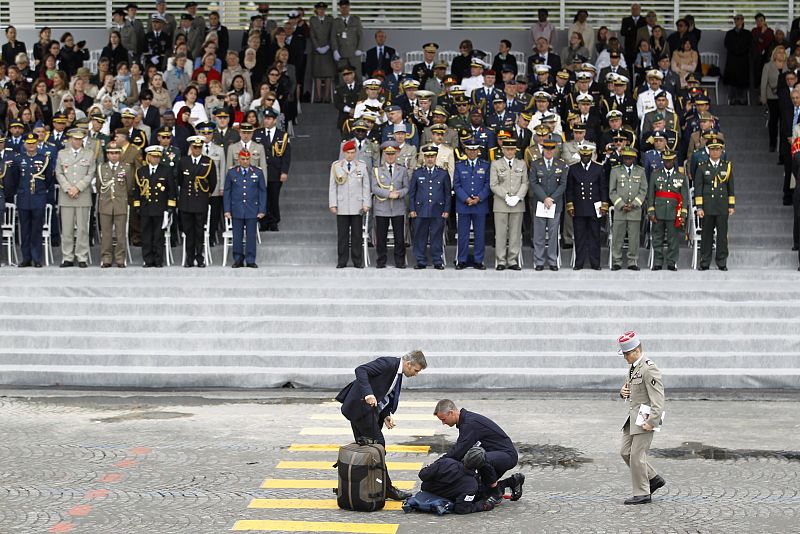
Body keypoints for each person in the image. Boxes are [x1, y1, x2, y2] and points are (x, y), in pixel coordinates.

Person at [335, 350, 428, 502]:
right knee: (378, 447)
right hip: (361, 409)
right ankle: (386, 488)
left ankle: (370, 486)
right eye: (416, 370)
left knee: (369, 449)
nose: (416, 374)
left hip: (366, 412)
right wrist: (368, 394)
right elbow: (361, 370)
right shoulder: (388, 363)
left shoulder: (397, 373)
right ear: (408, 364)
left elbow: (382, 393)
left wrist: (385, 415)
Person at [434, 399, 524, 504]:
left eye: (443, 419)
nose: (443, 423)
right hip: (492, 456)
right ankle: (513, 481)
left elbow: (458, 451)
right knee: (480, 493)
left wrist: (438, 465)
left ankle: (496, 493)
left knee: (478, 458)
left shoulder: (470, 423)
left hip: (506, 455)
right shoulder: (465, 421)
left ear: (451, 413)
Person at [617, 331, 666, 505]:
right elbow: (631, 390)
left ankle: (642, 493)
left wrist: (652, 421)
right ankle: (653, 478)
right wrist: (623, 393)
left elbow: (658, 398)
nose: (624, 357)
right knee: (625, 452)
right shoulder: (633, 367)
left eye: (627, 354)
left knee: (637, 455)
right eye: (623, 354)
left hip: (645, 419)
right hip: (632, 419)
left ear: (637, 350)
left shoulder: (648, 368)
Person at [56, 128, 96, 268]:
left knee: (82, 229)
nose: (77, 141)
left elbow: (90, 173)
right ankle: (67, 256)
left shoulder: (89, 154)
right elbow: (59, 173)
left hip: (82, 195)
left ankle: (81, 256)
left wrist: (77, 188)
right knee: (66, 229)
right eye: (75, 139)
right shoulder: (62, 153)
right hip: (66, 196)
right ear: (70, 139)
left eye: (80, 139)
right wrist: (68, 188)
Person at [133, 145, 176, 267]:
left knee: (158, 236)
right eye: (153, 156)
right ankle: (148, 260)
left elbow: (171, 190)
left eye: (158, 157)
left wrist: (170, 207)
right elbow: (137, 190)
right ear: (148, 157)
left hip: (160, 208)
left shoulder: (166, 170)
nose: (156, 159)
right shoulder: (141, 171)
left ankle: (158, 260)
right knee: (146, 235)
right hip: (146, 208)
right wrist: (137, 205)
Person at [329, 139, 370, 268]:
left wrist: (366, 203)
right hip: (342, 205)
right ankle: (342, 260)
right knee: (342, 235)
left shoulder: (361, 166)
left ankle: (357, 261)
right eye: (348, 152)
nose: (350, 155)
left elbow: (366, 186)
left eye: (353, 152)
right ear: (344, 153)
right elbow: (332, 186)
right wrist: (333, 204)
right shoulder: (336, 166)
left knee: (357, 235)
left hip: (357, 205)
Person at [566, 143, 608, 270]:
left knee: (595, 236)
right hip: (579, 207)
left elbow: (603, 188)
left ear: (591, 155)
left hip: (594, 207)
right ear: (580, 155)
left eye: (588, 155)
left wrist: (604, 205)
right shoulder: (573, 168)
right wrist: (570, 205)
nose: (585, 158)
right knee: (579, 236)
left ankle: (595, 263)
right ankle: (579, 263)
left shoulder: (598, 168)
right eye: (583, 156)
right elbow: (570, 189)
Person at [176, 135, 216, 267]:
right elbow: (180, 180)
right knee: (188, 231)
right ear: (191, 147)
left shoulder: (208, 161)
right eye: (195, 147)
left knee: (199, 231)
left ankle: (199, 257)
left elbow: (212, 182)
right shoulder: (183, 161)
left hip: (200, 201)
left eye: (199, 147)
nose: (197, 149)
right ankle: (189, 257)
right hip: (186, 201)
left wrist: (205, 194)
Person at [695, 139, 734, 271]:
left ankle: (722, 262)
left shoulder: (726, 166)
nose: (715, 152)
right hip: (708, 206)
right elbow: (698, 188)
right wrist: (699, 207)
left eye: (718, 149)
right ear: (709, 151)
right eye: (712, 149)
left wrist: (731, 205)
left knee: (722, 236)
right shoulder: (702, 166)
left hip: (722, 205)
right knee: (706, 236)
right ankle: (704, 262)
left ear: (722, 150)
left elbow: (730, 187)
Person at [223, 149, 266, 268]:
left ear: (250, 159)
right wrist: (227, 210)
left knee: (251, 236)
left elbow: (263, 192)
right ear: (239, 159)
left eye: (247, 159)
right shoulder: (232, 172)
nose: (245, 161)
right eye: (243, 159)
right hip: (236, 208)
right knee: (237, 236)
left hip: (252, 208)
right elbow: (227, 192)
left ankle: (251, 259)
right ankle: (238, 259)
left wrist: (262, 210)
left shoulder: (257, 172)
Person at [409, 145, 450, 269]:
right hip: (421, 210)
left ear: (436, 157)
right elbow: (412, 193)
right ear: (424, 157)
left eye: (432, 156)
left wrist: (447, 209)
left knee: (436, 236)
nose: (430, 159)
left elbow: (447, 193)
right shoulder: (417, 173)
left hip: (438, 210)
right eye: (427, 156)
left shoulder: (443, 173)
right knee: (420, 235)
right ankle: (421, 261)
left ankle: (437, 260)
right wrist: (412, 209)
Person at [530, 139, 568, 271]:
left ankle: (552, 261)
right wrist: (544, 198)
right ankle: (539, 261)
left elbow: (563, 184)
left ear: (555, 150)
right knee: (539, 234)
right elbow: (533, 183)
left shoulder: (561, 165)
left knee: (553, 235)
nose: (549, 151)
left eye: (551, 149)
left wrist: (551, 199)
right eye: (546, 149)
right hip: (540, 203)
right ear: (543, 150)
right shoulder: (536, 164)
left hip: (554, 204)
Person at [490, 137, 528, 270]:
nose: (510, 152)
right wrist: (505, 196)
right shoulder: (496, 164)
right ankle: (500, 260)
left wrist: (517, 197)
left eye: (512, 149)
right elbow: (493, 184)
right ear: (503, 149)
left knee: (515, 234)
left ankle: (512, 260)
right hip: (501, 203)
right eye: (507, 149)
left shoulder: (521, 164)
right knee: (500, 234)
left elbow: (525, 183)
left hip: (517, 204)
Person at [647, 150, 688, 271]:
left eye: (670, 160)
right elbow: (651, 195)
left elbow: (684, 196)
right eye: (665, 160)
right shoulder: (655, 174)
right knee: (657, 238)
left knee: (673, 239)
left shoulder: (680, 176)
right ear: (662, 161)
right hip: (658, 211)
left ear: (674, 160)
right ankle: (658, 262)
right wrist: (651, 211)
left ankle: (671, 262)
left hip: (674, 212)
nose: (668, 163)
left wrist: (683, 214)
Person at [16, 133, 53, 268]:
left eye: (33, 143)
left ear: (37, 143)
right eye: (29, 143)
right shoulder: (19, 159)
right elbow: (15, 179)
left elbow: (48, 179)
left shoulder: (44, 159)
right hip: (23, 198)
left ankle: (37, 258)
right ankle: (26, 258)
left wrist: (41, 191)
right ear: (24, 144)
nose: (31, 146)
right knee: (24, 230)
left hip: (38, 197)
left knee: (36, 230)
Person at [371, 141, 409, 269]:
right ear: (384, 154)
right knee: (381, 237)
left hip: (398, 207)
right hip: (382, 208)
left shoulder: (402, 170)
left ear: (396, 153)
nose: (390, 156)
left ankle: (400, 261)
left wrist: (398, 194)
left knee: (399, 237)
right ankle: (381, 261)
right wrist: (388, 194)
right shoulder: (376, 170)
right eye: (388, 154)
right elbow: (374, 188)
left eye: (392, 153)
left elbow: (406, 188)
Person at [97, 142, 135, 268]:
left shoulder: (127, 167)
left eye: (116, 153)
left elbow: (129, 187)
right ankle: (106, 258)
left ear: (120, 154)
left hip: (120, 203)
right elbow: (99, 186)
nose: (114, 156)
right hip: (105, 203)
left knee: (120, 233)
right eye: (111, 153)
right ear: (107, 154)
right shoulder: (101, 168)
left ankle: (120, 258)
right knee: (106, 233)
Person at [608, 147, 646, 270]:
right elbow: (612, 191)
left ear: (634, 159)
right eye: (625, 158)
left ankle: (632, 262)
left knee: (634, 238)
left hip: (634, 210)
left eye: (630, 158)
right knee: (618, 237)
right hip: (620, 210)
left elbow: (643, 190)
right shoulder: (615, 171)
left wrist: (634, 204)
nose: (627, 160)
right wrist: (620, 204)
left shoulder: (640, 171)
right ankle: (617, 261)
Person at [453, 142, 490, 270]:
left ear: (478, 151)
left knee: (480, 234)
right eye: (470, 150)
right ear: (466, 151)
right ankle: (462, 260)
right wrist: (466, 198)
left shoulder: (485, 165)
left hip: (480, 205)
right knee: (463, 234)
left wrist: (479, 198)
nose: (472, 152)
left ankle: (479, 260)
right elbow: (456, 185)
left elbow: (488, 184)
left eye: (475, 150)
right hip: (464, 205)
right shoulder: (459, 165)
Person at [416, 457, 496, 514]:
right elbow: (461, 508)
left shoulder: (446, 462)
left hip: (426, 491)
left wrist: (434, 466)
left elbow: (423, 475)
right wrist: (482, 506)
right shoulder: (472, 485)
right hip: (442, 499)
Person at [256, 108, 291, 232]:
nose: (267, 121)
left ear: (275, 120)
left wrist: (284, 171)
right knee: (262, 197)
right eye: (265, 118)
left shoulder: (282, 135)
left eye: (269, 118)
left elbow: (286, 155)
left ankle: (274, 221)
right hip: (261, 172)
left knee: (273, 197)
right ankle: (264, 222)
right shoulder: (257, 133)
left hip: (275, 171)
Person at [331, 0, 364, 82]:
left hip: (354, 53)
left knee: (357, 76)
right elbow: (333, 37)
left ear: (349, 8)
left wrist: (359, 48)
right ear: (340, 9)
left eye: (346, 7)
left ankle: (360, 94)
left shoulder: (356, 20)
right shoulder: (336, 22)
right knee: (342, 77)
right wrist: (335, 50)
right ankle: (343, 95)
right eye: (342, 7)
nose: (344, 9)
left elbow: (361, 35)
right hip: (341, 53)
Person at [724, 15, 753, 106]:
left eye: (740, 19)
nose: (738, 21)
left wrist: (741, 51)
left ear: (743, 20)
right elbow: (726, 44)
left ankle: (742, 99)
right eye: (736, 19)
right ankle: (732, 99)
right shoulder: (729, 33)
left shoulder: (747, 33)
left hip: (743, 60)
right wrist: (735, 51)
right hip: (732, 59)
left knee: (743, 80)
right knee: (732, 80)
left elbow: (749, 45)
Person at [310, 2, 336, 103]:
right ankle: (318, 97)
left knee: (328, 74)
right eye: (319, 9)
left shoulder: (330, 20)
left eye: (323, 9)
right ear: (316, 10)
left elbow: (332, 34)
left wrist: (328, 46)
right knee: (318, 74)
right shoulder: (313, 20)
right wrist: (317, 47)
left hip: (328, 50)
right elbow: (312, 34)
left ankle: (327, 98)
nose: (321, 11)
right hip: (317, 51)